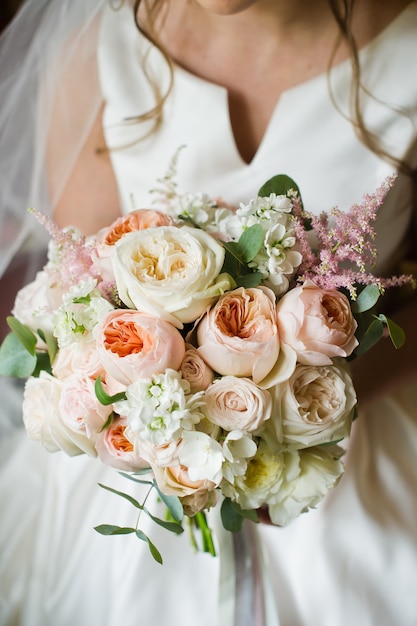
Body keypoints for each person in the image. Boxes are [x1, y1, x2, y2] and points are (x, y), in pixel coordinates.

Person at [0, 1, 416, 625]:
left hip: (350, 445)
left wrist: (287, 418)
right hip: (138, 462)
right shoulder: (96, 52)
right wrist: (166, 430)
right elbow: (81, 302)